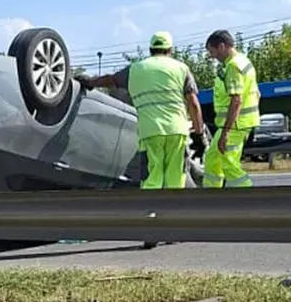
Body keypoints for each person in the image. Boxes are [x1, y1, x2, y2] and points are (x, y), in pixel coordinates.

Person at [77, 31, 206, 189]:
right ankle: (174, 208)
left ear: (151, 49)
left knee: (152, 175)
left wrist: (89, 81)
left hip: (150, 131)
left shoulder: (136, 69)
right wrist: (199, 134)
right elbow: (193, 103)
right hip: (176, 130)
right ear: (170, 49)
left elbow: (110, 80)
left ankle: (150, 208)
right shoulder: (181, 69)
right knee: (175, 176)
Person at [202, 30, 260, 189]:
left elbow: (237, 100)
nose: (212, 56)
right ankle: (212, 197)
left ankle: (247, 197)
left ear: (221, 46)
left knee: (228, 162)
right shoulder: (243, 61)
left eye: (212, 51)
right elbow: (256, 93)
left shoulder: (233, 66)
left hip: (235, 124)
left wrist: (226, 132)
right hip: (239, 122)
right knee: (213, 158)